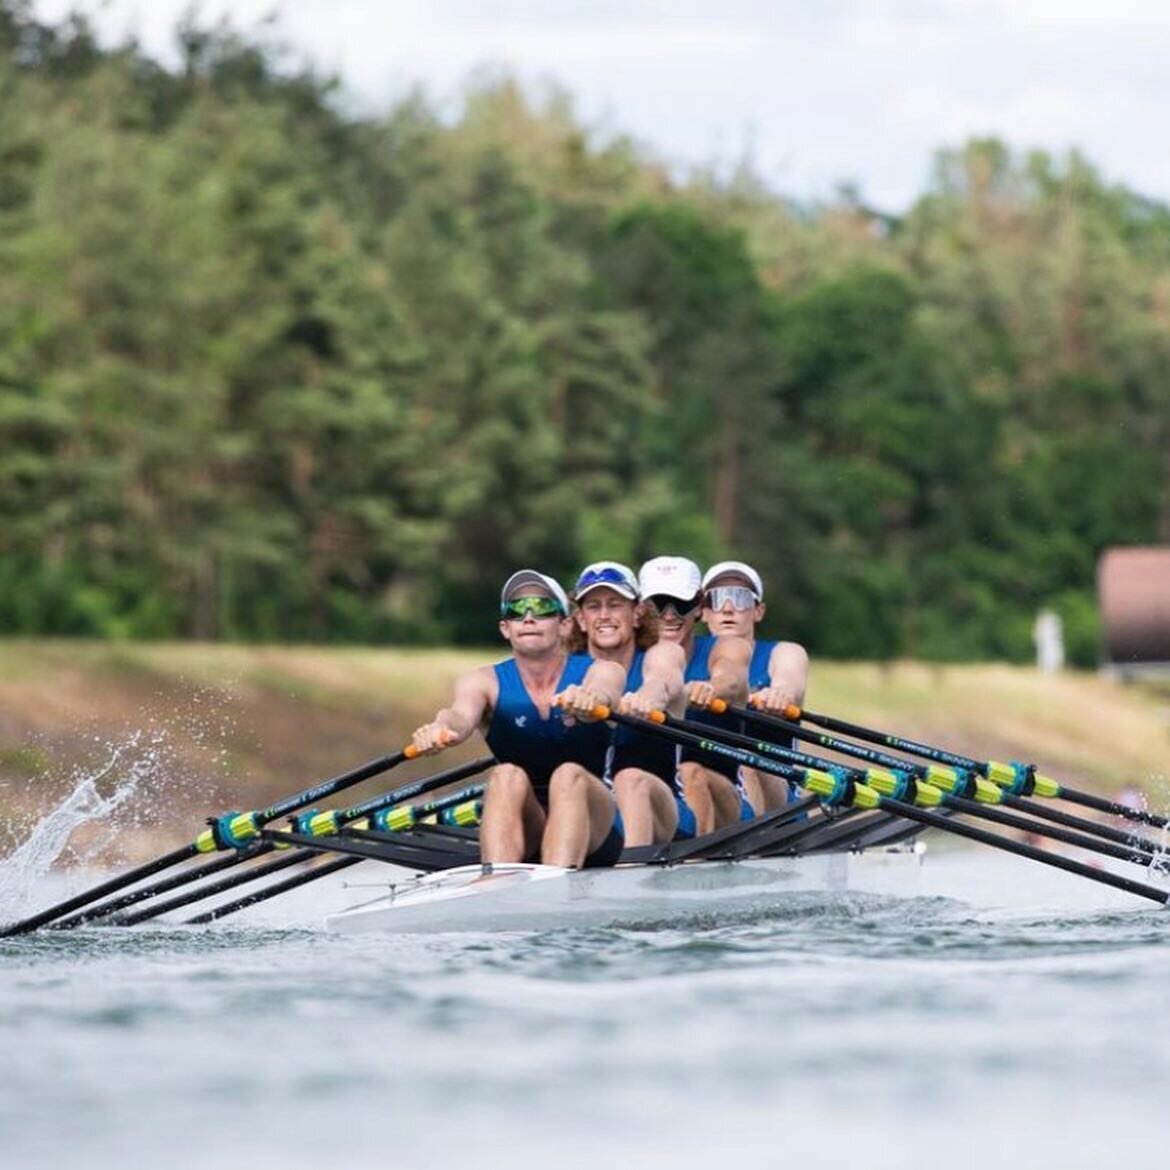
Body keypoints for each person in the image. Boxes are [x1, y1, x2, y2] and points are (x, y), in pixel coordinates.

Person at [410, 569, 625, 868]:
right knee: (505, 774)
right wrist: (440, 728)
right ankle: (496, 885)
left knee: (568, 774)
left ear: (564, 626)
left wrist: (592, 700)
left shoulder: (600, 670)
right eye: (516, 611)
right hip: (526, 820)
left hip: (596, 824)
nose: (528, 618)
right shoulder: (483, 681)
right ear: (505, 628)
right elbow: (458, 716)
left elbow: (605, 693)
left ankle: (552, 889)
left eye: (542, 609)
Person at [567, 561, 689, 848]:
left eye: (615, 604)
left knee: (630, 779)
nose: (604, 615)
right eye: (594, 606)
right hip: (597, 813)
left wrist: (648, 698)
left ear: (637, 614)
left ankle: (631, 877)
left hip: (667, 814)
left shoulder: (662, 654)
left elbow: (663, 680)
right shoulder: (568, 672)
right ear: (581, 620)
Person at [637, 555, 755, 835]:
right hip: (652, 794)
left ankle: (694, 861)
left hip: (728, 801)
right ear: (640, 609)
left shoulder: (727, 647)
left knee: (690, 771)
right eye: (658, 604)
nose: (668, 615)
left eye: (680, 604)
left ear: (700, 606)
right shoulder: (627, 659)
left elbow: (731, 678)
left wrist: (710, 689)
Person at [699, 560, 809, 813]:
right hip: (710, 789)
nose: (728, 608)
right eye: (717, 599)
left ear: (758, 611)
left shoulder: (784, 653)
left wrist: (780, 693)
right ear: (703, 612)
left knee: (751, 760)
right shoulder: (686, 656)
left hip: (775, 799)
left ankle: (757, 837)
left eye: (740, 598)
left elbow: (788, 679)